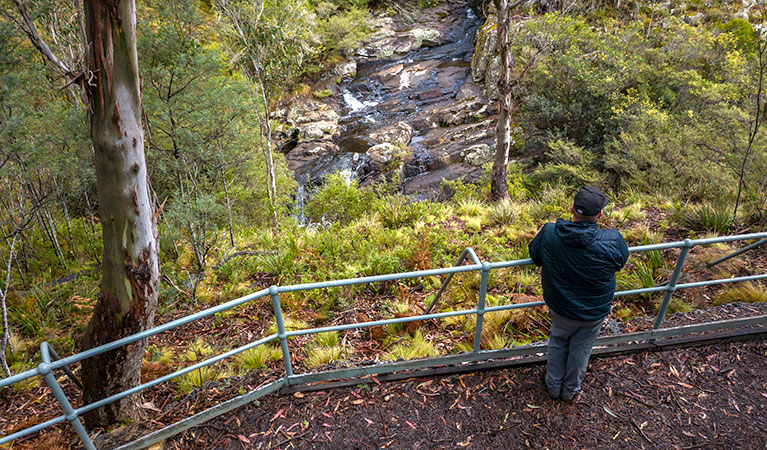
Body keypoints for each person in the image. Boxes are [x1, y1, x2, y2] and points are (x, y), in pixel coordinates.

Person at [528, 186, 629, 402]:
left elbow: (535, 256)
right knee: (581, 348)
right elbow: (620, 262)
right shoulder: (613, 240)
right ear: (600, 214)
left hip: (561, 305)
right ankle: (570, 390)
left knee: (558, 341)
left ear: (571, 208)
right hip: (594, 310)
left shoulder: (549, 233)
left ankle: (553, 386)